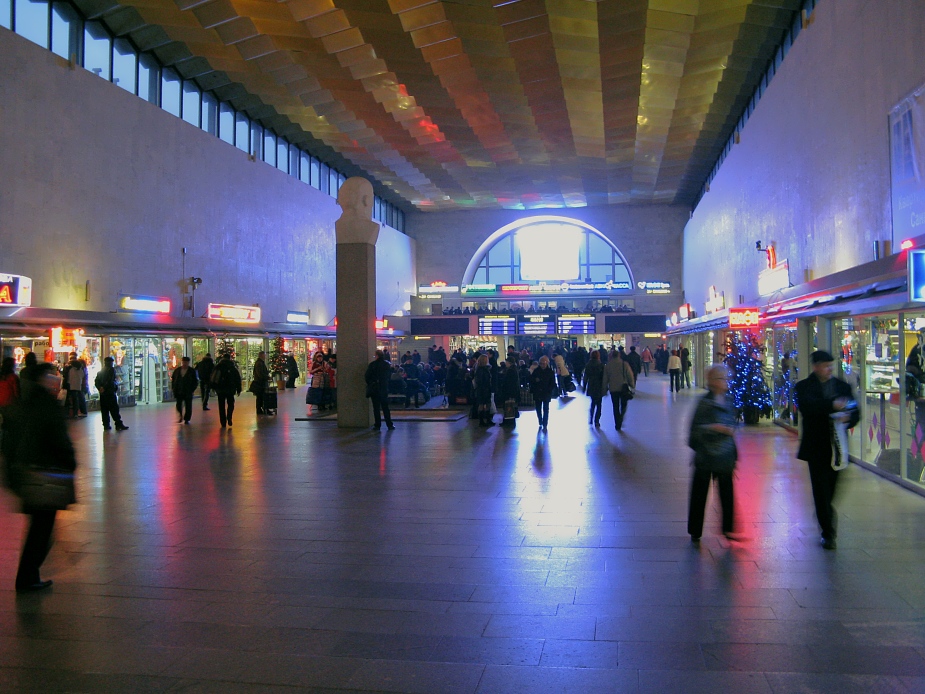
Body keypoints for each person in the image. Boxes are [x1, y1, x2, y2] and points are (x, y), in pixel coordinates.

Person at [1, 362, 77, 592]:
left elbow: (9, 440)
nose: (55, 381)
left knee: (38, 527)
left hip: (25, 474)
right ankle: (27, 576)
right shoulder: (46, 405)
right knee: (42, 530)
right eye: (51, 377)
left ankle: (28, 574)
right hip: (45, 475)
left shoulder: (21, 402)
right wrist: (69, 462)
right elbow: (59, 440)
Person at [795, 350, 860, 550]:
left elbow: (855, 410)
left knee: (832, 489)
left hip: (838, 446)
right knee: (820, 490)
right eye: (825, 366)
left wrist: (849, 418)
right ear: (816, 367)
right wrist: (832, 405)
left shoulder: (842, 386)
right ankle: (828, 532)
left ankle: (824, 512)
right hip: (816, 446)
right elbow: (808, 408)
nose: (829, 369)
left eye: (831, 365)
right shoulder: (804, 387)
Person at [687, 365, 738, 542]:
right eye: (722, 378)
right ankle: (695, 529)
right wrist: (715, 428)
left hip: (725, 456)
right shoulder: (704, 403)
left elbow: (733, 422)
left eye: (726, 378)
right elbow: (694, 430)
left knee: (726, 492)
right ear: (712, 381)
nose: (726, 382)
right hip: (706, 456)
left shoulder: (729, 400)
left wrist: (729, 431)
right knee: (700, 493)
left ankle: (728, 528)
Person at [94, 357, 129, 431]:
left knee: (104, 410)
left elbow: (96, 381)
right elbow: (110, 380)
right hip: (110, 392)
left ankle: (106, 425)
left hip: (103, 394)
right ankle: (118, 424)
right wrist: (105, 387)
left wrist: (100, 388)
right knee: (114, 409)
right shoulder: (111, 370)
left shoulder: (101, 371)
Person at [604, 348, 635, 431]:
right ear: (619, 355)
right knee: (624, 404)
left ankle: (617, 423)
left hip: (613, 388)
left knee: (615, 406)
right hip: (623, 388)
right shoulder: (624, 364)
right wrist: (632, 385)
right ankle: (621, 417)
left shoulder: (608, 365)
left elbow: (605, 378)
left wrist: (604, 388)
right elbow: (630, 375)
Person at [365, 351, 394, 430]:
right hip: (383, 388)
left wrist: (371, 383)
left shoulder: (372, 365)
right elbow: (389, 376)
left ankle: (377, 425)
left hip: (374, 389)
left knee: (376, 408)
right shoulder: (386, 365)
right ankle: (389, 424)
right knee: (385, 407)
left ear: (376, 356)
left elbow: (367, 376)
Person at [212, 352, 242, 428]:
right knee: (231, 404)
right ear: (229, 358)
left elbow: (214, 377)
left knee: (221, 406)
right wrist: (238, 388)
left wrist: (213, 387)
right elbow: (237, 378)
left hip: (220, 389)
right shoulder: (232, 367)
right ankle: (229, 417)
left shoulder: (218, 366)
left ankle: (223, 422)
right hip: (230, 389)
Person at [530, 355, 556, 430]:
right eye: (541, 363)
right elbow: (531, 380)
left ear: (547, 363)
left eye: (544, 363)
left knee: (546, 408)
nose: (542, 365)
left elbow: (553, 383)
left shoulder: (550, 372)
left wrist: (549, 390)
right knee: (538, 408)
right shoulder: (536, 371)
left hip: (546, 393)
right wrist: (535, 380)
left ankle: (545, 422)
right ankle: (540, 420)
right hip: (537, 392)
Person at [171, 356, 198, 424]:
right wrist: (174, 388)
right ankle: (180, 415)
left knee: (188, 405)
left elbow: (195, 381)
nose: (184, 363)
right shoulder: (177, 370)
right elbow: (174, 380)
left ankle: (187, 418)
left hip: (188, 390)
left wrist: (192, 389)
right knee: (178, 404)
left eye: (186, 362)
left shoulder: (191, 371)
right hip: (179, 390)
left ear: (188, 363)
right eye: (183, 362)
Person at [583, 350, 606, 427]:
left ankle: (591, 418)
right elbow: (604, 377)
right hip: (599, 386)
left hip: (591, 385)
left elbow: (585, 377)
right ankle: (597, 420)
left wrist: (584, 386)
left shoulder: (588, 365)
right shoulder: (601, 365)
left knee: (593, 403)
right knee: (599, 404)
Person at [473, 354, 494, 427]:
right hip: (483, 389)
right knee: (483, 404)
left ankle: (486, 420)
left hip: (483, 389)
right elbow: (481, 381)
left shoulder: (481, 369)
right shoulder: (482, 370)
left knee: (486, 404)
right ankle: (483, 420)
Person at [500, 357, 520, 428]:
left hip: (509, 391)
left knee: (508, 406)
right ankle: (509, 421)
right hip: (513, 391)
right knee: (511, 406)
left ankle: (508, 421)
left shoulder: (510, 370)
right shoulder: (514, 369)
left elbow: (508, 382)